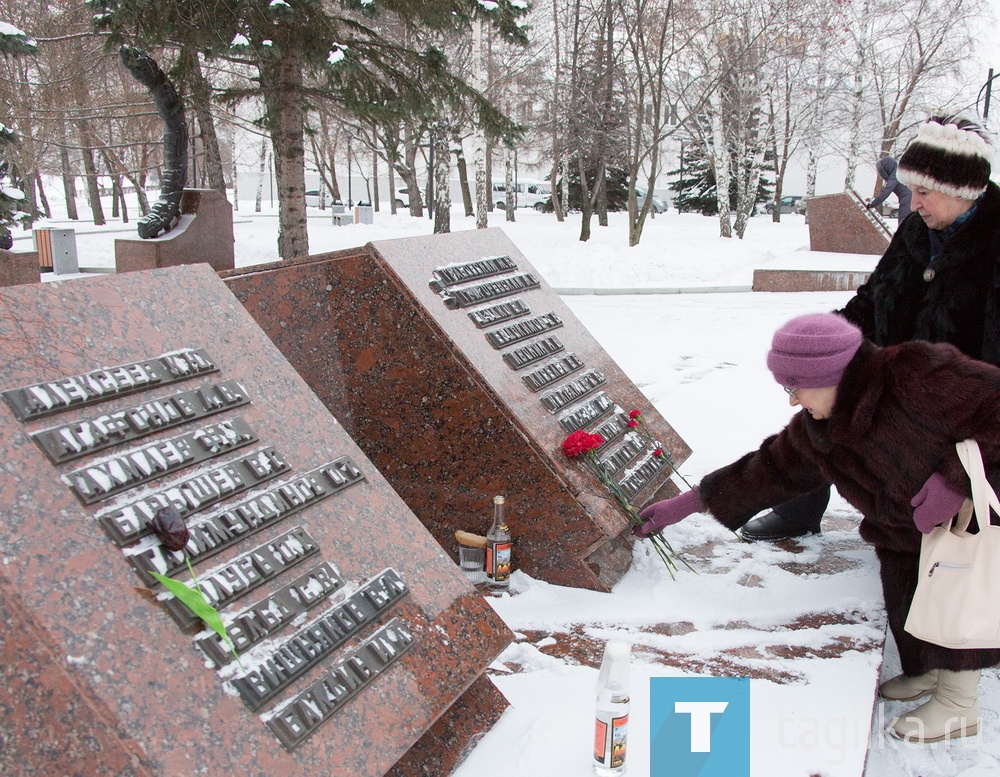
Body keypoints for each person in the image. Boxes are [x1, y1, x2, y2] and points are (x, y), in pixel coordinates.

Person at [634, 313, 1000, 742]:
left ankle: (960, 705)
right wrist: (689, 503)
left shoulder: (918, 372)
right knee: (910, 593)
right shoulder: (821, 428)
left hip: (965, 526)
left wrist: (955, 482)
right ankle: (928, 671)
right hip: (902, 534)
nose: (790, 401)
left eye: (793, 388)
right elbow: (770, 468)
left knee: (957, 601)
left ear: (830, 375)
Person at [741, 114, 1000, 542]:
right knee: (825, 396)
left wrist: (959, 473)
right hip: (898, 373)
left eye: (923, 192)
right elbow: (876, 297)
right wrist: (823, 341)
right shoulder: (919, 230)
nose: (913, 203)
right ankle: (799, 509)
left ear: (962, 191)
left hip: (962, 404)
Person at [866, 156, 911, 221]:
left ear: (886, 169)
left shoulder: (895, 175)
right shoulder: (899, 171)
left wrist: (872, 204)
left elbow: (886, 192)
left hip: (908, 201)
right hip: (911, 199)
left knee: (904, 223)